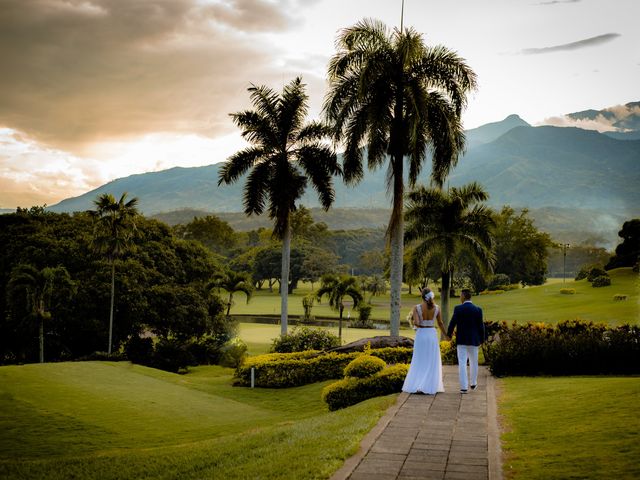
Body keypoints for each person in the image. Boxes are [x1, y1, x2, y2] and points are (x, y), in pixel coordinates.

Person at [402, 288, 449, 394]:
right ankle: (429, 385)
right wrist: (446, 335)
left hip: (421, 335)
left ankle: (418, 384)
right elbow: (440, 323)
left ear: (422, 296)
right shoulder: (437, 308)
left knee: (419, 359)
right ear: (431, 296)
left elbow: (417, 323)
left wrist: (414, 321)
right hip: (432, 334)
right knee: (431, 359)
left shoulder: (416, 308)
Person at [447, 289, 485, 394]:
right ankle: (473, 383)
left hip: (462, 340)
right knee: (474, 362)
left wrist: (449, 335)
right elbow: (481, 326)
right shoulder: (478, 309)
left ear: (464, 296)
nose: (460, 297)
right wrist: (482, 339)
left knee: (462, 363)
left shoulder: (458, 309)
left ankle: (464, 387)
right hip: (474, 340)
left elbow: (452, 323)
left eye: (460, 295)